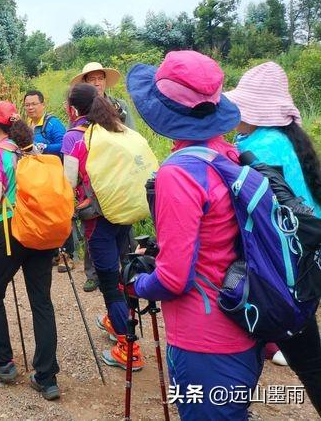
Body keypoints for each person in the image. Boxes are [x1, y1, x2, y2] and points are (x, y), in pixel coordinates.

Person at [126, 50, 262, 421]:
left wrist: (138, 283)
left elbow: (173, 279)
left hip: (204, 340)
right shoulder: (230, 157)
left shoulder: (179, 173)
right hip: (246, 327)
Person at [224, 61, 321, 413]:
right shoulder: (284, 139)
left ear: (255, 111)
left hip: (282, 274)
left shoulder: (259, 149)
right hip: (304, 264)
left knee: (309, 363)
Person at [0, 100, 61, 401]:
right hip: (41, 228)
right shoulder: (31, 149)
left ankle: (2, 362)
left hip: (12, 228)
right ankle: (46, 376)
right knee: (41, 300)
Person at [60, 83, 143, 371]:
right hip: (125, 210)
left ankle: (128, 347)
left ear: (73, 109)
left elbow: (68, 182)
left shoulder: (74, 137)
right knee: (121, 271)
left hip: (97, 217)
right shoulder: (115, 128)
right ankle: (115, 319)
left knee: (108, 280)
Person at [71, 62, 135, 290]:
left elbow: (131, 137)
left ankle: (128, 268)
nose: (97, 83)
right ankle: (93, 273)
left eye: (100, 78)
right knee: (94, 222)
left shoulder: (120, 106)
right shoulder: (80, 111)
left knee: (124, 220)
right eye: (92, 79)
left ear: (105, 81)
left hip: (119, 172)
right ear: (86, 84)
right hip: (93, 174)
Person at [23, 90, 65, 157]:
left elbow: (64, 145)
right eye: (27, 105)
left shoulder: (53, 123)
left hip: (49, 166)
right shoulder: (27, 124)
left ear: (43, 105)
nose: (30, 108)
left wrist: (43, 148)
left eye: (34, 104)